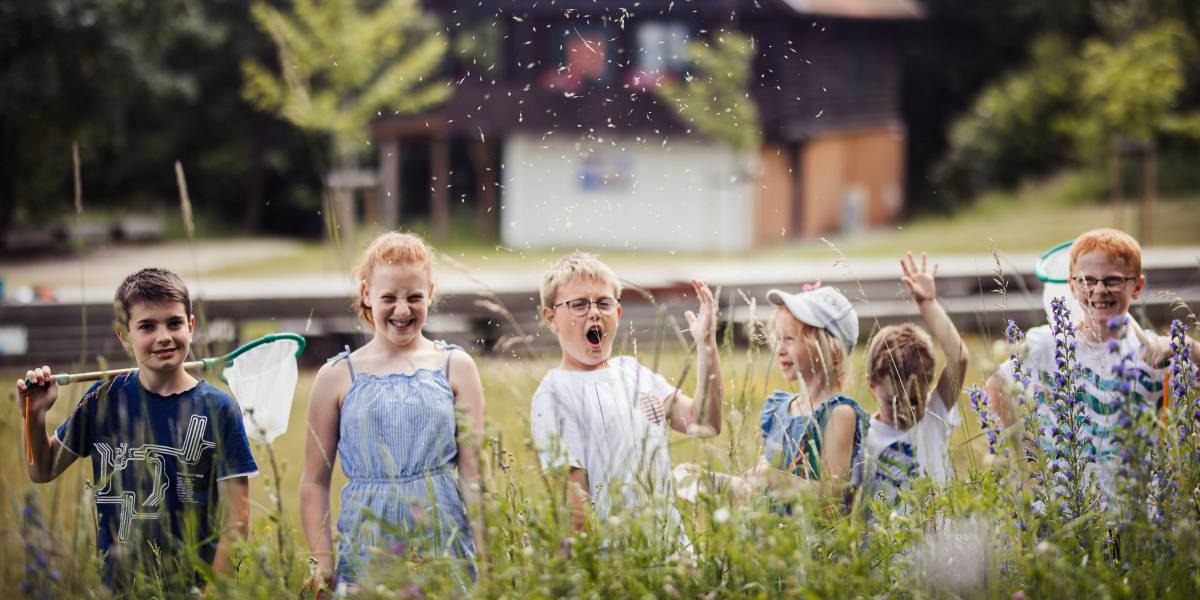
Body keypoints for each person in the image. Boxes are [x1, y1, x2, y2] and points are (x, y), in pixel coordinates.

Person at [16, 267, 258, 592]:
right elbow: (41, 470)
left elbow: (236, 522)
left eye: (174, 323)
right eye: (146, 326)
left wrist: (212, 591)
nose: (163, 337)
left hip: (193, 588)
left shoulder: (219, 409)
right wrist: (34, 415)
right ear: (124, 335)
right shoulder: (101, 400)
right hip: (118, 586)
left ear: (191, 325)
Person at [300, 232, 485, 592]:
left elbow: (473, 475)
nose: (402, 310)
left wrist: (488, 559)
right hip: (367, 545)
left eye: (415, 297)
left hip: (441, 545)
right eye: (389, 297)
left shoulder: (455, 367)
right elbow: (313, 481)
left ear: (430, 291)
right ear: (367, 293)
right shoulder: (337, 377)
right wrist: (322, 564)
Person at [529, 252, 723, 549]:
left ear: (617, 313)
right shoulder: (555, 392)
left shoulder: (633, 372)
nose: (593, 313)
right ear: (551, 317)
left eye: (604, 303)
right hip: (619, 561)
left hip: (675, 552)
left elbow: (704, 422)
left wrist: (706, 344)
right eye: (578, 304)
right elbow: (574, 509)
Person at [986, 227, 1200, 497]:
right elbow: (996, 385)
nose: (1099, 290)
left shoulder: (1158, 352)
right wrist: (1020, 455)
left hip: (1141, 512)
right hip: (1067, 507)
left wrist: (1186, 345)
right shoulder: (1048, 344)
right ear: (1072, 286)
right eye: (1088, 280)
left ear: (1137, 287)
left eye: (1113, 280)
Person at [863, 252, 969, 508]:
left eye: (913, 400)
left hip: (937, 545)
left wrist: (928, 304)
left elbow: (959, 358)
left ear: (929, 384)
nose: (903, 411)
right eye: (892, 401)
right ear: (871, 385)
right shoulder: (863, 439)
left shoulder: (934, 417)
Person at [751, 285, 870, 508]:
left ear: (826, 347)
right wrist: (715, 482)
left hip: (815, 541)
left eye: (789, 339)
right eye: (778, 339)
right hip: (776, 540)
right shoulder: (777, 410)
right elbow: (760, 486)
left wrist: (774, 478)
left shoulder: (838, 414)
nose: (779, 349)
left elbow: (832, 496)